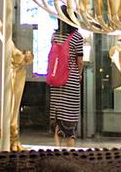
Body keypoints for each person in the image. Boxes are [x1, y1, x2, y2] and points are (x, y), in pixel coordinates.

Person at [49, 18, 84, 146]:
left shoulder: (55, 36)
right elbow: (79, 61)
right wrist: (79, 74)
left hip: (56, 79)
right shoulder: (77, 37)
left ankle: (57, 149)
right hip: (70, 80)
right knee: (70, 115)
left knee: (57, 114)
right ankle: (70, 151)